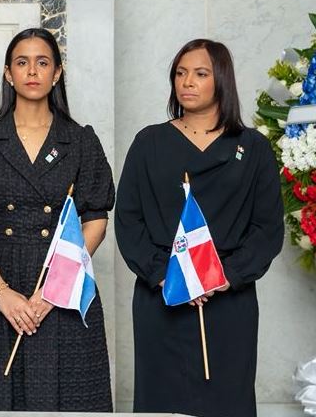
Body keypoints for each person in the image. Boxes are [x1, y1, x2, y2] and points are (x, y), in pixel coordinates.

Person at [0, 28, 114, 411]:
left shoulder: (80, 140)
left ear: (57, 73)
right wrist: (2, 292)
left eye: (42, 62)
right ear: (8, 73)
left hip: (61, 287)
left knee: (67, 400)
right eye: (22, 62)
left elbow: (96, 220)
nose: (32, 71)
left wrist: (54, 289)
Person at [115, 39, 283, 417]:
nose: (187, 81)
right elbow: (128, 220)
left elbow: (267, 228)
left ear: (221, 79)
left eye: (200, 73)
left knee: (227, 400)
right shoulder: (148, 142)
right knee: (162, 402)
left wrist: (224, 275)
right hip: (162, 296)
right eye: (180, 73)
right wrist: (167, 275)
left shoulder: (253, 147)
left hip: (229, 300)